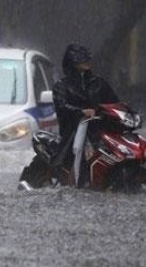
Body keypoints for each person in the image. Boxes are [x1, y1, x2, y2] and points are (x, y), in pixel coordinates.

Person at [51, 43, 120, 183]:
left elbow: (115, 103)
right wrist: (81, 112)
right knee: (78, 170)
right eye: (81, 60)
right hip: (74, 135)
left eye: (87, 59)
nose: (86, 62)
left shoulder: (99, 83)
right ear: (72, 63)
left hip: (101, 132)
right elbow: (62, 107)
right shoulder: (62, 86)